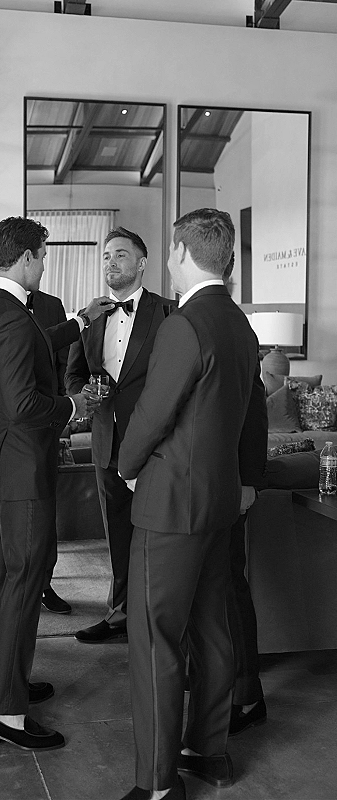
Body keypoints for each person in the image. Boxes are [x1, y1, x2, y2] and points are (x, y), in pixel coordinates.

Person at [116, 208, 267, 800]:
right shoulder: (238, 323)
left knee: (154, 638)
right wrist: (245, 479)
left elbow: (155, 412)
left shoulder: (184, 323)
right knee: (212, 630)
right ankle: (210, 752)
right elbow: (252, 411)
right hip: (220, 501)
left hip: (171, 504)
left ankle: (157, 785)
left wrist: (126, 467)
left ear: (180, 252)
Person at [0, 215, 113, 750]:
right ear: (27, 257)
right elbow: (27, 404)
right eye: (44, 256)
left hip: (0, 465)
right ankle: (3, 713)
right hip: (22, 469)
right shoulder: (9, 316)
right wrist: (77, 404)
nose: (45, 264)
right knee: (26, 581)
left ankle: (5, 683)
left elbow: (29, 346)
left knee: (5, 582)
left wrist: (77, 320)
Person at [65, 227, 174, 643]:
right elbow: (73, 374)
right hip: (106, 439)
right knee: (117, 533)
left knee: (157, 536)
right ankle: (119, 615)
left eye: (121, 255)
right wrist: (83, 396)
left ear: (142, 263)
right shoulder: (89, 315)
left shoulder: (169, 312)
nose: (111, 262)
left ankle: (155, 619)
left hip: (155, 443)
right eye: (107, 256)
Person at [0, 287, 78, 621]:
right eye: (40, 254)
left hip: (45, 422)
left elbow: (59, 357)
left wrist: (63, 407)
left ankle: (42, 582)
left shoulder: (53, 305)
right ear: (26, 256)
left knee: (41, 505)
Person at [222, 253, 268, 736]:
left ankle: (248, 693)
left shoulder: (237, 327)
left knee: (230, 586)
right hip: (211, 482)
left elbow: (255, 412)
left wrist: (249, 480)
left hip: (232, 480)